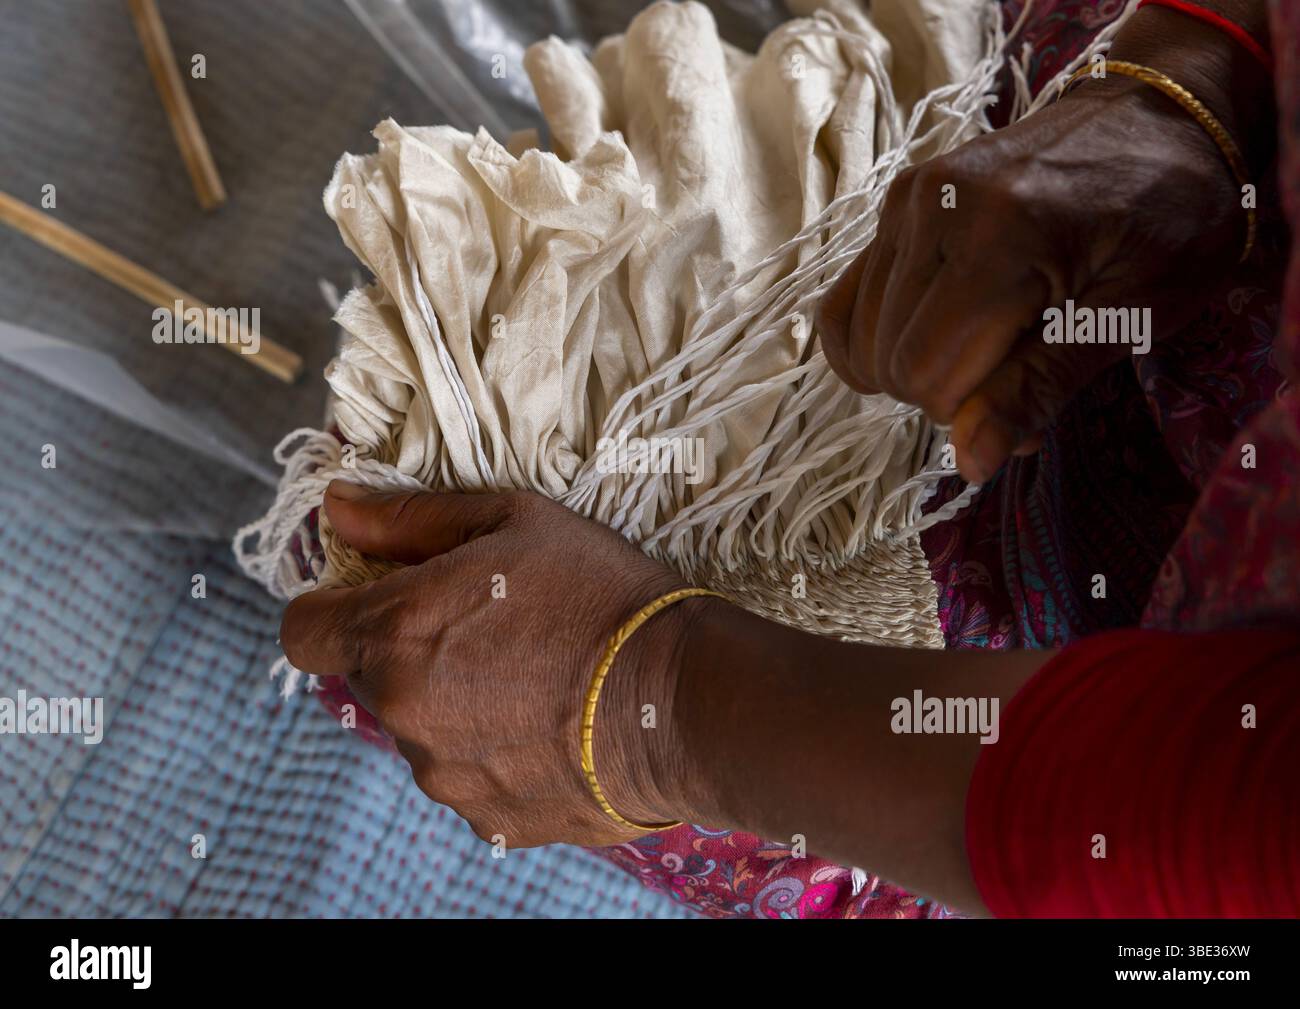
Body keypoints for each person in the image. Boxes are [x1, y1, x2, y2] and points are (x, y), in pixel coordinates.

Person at [280, 0, 1300, 917]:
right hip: (1200, 224)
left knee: (452, 635)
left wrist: (655, 702)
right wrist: (1190, 84)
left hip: (1133, 762)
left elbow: (1189, 829)